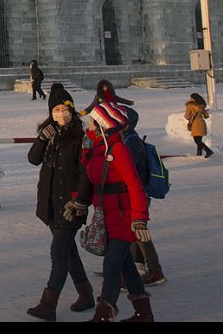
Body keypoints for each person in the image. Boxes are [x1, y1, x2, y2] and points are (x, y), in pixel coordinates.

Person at [67, 101, 155, 322]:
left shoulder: (118, 150)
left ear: (102, 125)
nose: (88, 123)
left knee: (111, 265)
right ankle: (144, 314)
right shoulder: (96, 149)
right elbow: (91, 181)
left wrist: (140, 219)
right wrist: (77, 203)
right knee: (126, 266)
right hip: (105, 215)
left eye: (92, 120)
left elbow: (135, 185)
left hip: (123, 216)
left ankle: (103, 315)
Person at [25, 83, 94, 320]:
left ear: (72, 110)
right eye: (55, 109)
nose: (60, 114)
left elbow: (86, 173)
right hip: (51, 205)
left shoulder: (80, 138)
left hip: (70, 206)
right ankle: (86, 293)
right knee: (69, 251)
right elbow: (33, 159)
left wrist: (80, 201)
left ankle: (49, 303)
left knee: (58, 253)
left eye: (64, 109)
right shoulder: (49, 136)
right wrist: (41, 139)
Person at [121, 109, 167, 285]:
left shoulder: (131, 141)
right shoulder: (129, 138)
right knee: (135, 230)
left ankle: (155, 270)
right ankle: (137, 264)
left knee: (139, 230)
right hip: (137, 192)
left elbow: (129, 169)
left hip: (138, 193)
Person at [185, 93, 214, 158]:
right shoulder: (201, 105)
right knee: (199, 140)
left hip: (195, 124)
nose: (190, 99)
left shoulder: (189, 105)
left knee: (197, 140)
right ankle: (199, 154)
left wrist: (190, 118)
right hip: (202, 123)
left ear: (193, 99)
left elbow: (187, 116)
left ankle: (208, 151)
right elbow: (206, 116)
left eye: (191, 98)